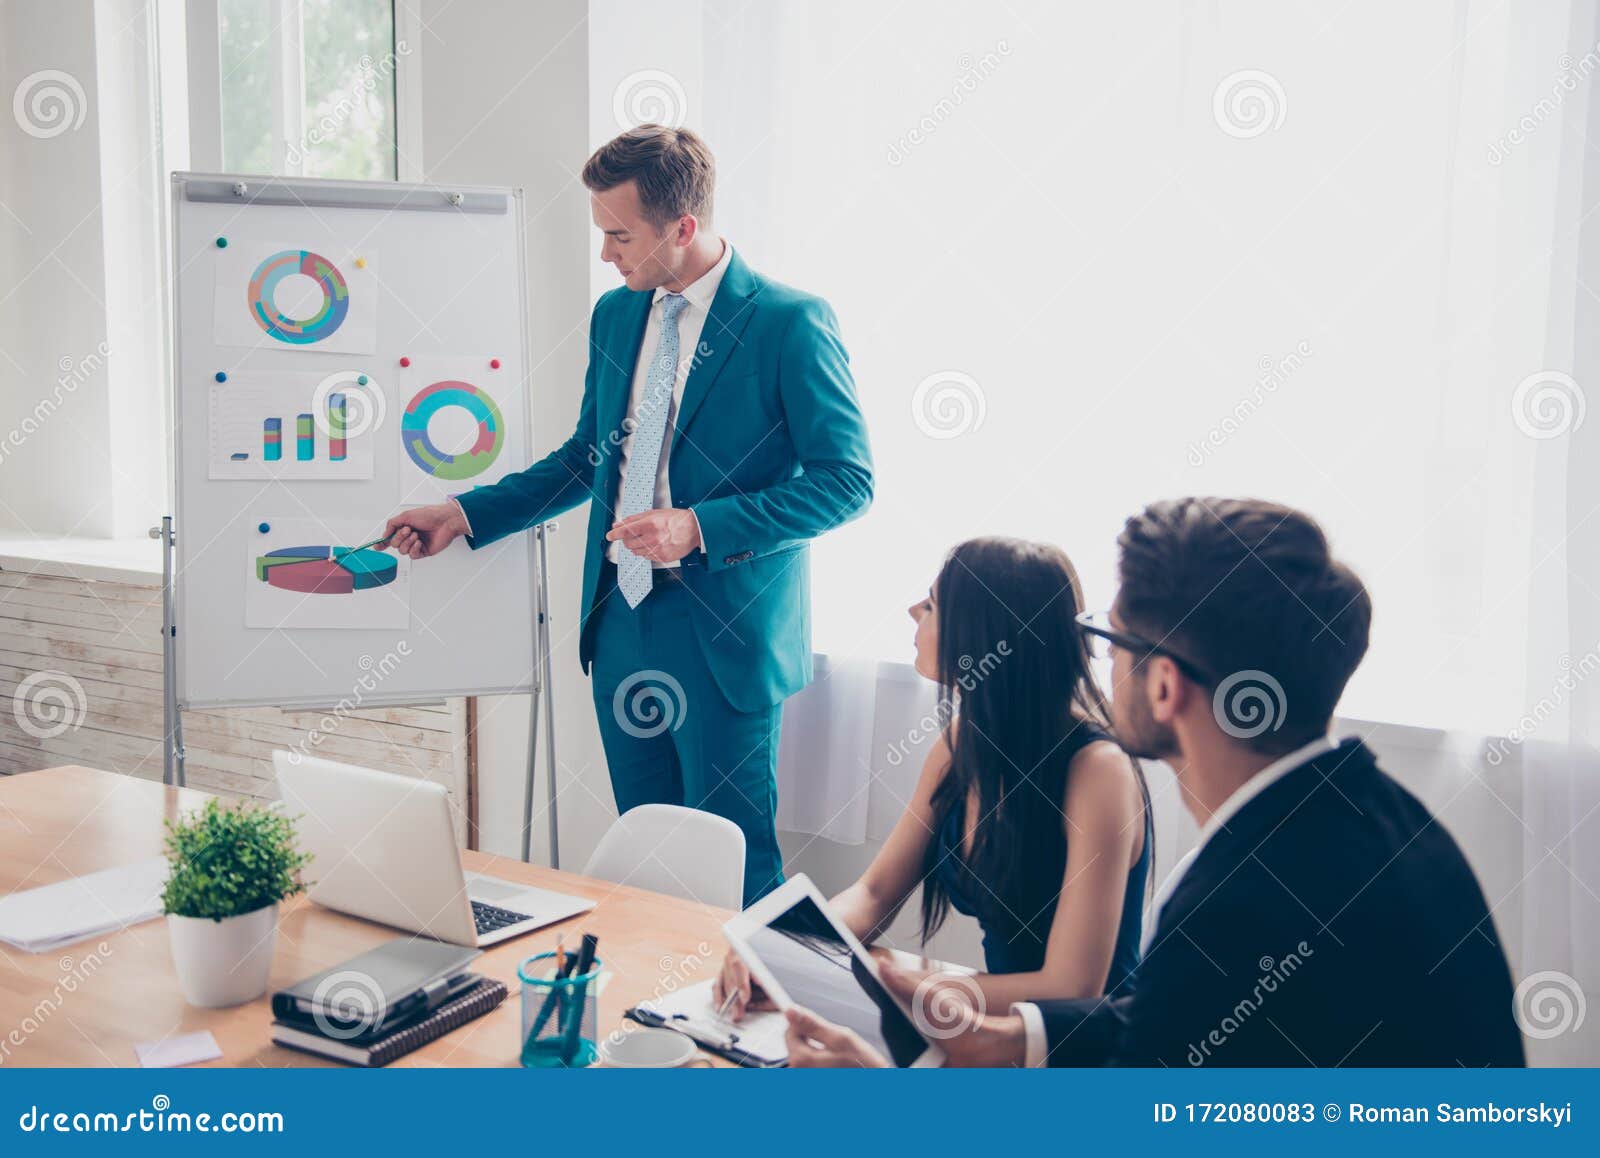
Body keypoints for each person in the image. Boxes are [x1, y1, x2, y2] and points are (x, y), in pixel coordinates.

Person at [783, 498, 1524, 1067]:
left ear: (1165, 685)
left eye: (1113, 638)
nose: (1096, 658)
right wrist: (1004, 1040)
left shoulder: (1241, 907)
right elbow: (1149, 1024)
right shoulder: (1381, 821)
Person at [384, 126, 873, 906]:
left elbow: (847, 481)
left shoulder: (790, 322)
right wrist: (463, 512)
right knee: (653, 865)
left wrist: (698, 525)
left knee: (736, 866)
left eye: (619, 235)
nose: (606, 254)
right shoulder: (618, 316)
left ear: (682, 228)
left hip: (724, 636)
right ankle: (662, 1021)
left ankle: (757, 1020)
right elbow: (588, 458)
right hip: (620, 623)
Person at [715, 537, 1150, 1018]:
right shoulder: (962, 741)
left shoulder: (1098, 770)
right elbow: (874, 893)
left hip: (1088, 1056)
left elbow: (1072, 987)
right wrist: (782, 952)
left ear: (982, 634)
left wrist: (905, 985)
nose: (912, 612)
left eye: (933, 604)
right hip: (993, 1033)